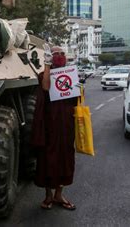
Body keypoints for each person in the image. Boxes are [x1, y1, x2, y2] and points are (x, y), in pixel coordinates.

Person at [31, 45, 77, 211]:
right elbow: (45, 87)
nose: (59, 56)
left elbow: (76, 95)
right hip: (50, 125)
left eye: (62, 53)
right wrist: (48, 64)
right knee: (48, 159)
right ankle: (48, 195)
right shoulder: (45, 74)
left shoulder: (71, 73)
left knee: (65, 159)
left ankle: (59, 194)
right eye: (55, 53)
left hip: (67, 125)